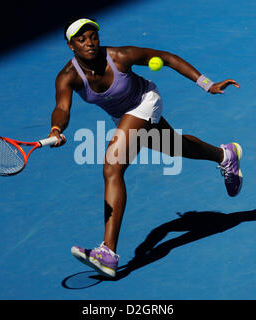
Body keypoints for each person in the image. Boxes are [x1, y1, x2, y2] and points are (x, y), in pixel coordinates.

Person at [48, 18, 242, 278]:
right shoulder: (68, 77)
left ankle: (108, 252)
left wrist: (207, 83)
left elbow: (165, 57)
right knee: (173, 146)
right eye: (81, 40)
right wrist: (56, 130)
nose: (89, 43)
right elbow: (62, 108)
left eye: (92, 36)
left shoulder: (119, 56)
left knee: (112, 167)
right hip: (123, 115)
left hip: (145, 102)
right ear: (71, 46)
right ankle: (225, 155)